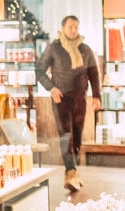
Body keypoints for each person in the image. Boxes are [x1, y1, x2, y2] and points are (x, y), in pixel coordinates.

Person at [35, 15, 101, 192]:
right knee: (66, 135)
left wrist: (96, 96)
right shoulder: (53, 48)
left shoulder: (85, 49)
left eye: (76, 27)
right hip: (61, 99)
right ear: (63, 28)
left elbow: (93, 74)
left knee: (78, 136)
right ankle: (70, 172)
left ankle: (73, 172)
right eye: (70, 27)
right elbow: (39, 71)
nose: (73, 30)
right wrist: (51, 88)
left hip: (80, 99)